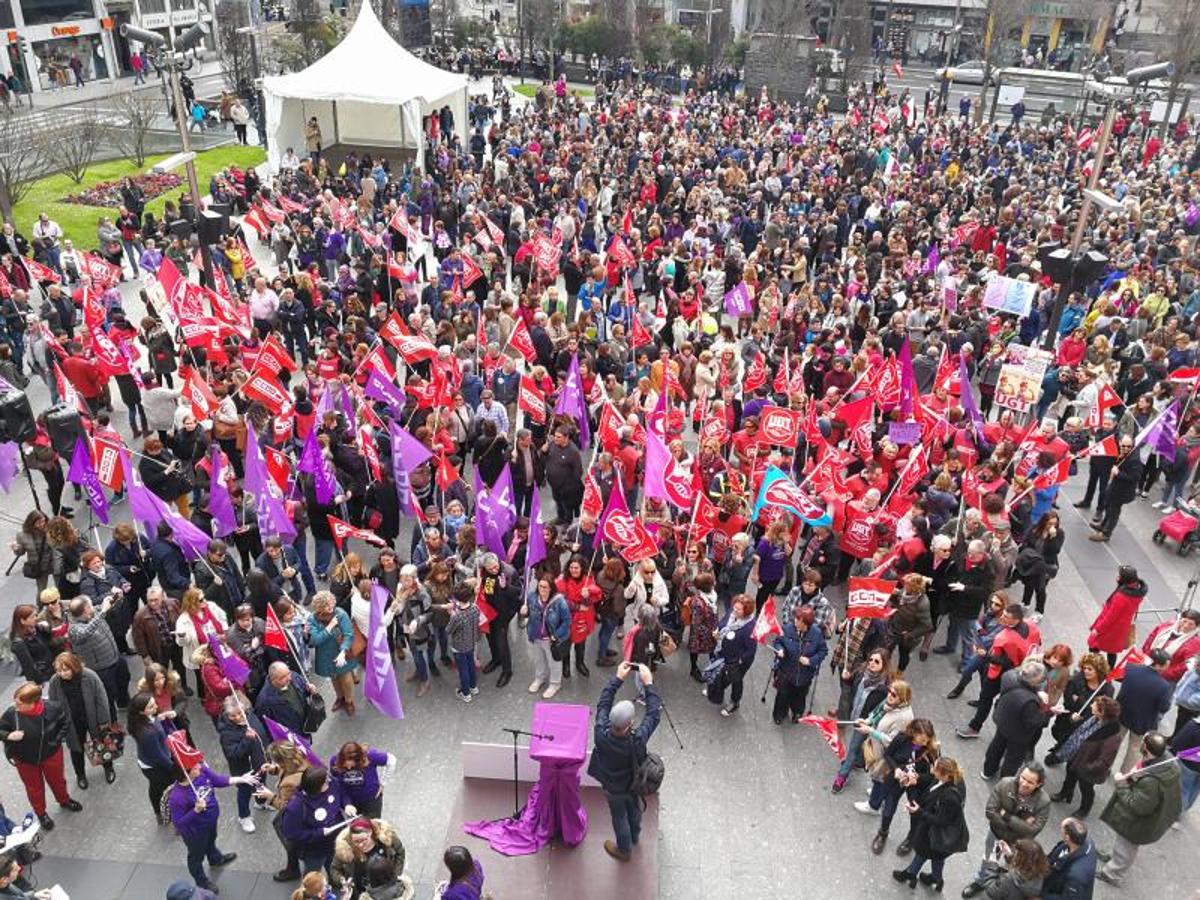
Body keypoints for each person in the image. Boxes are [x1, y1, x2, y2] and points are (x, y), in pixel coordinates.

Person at [588, 661, 660, 861]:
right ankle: (633, 838)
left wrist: (617, 678)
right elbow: (654, 715)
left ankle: (624, 848)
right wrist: (649, 683)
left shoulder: (600, 731)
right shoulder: (636, 741)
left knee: (618, 815)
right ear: (629, 724)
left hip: (612, 787)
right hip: (633, 785)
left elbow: (603, 703)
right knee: (634, 810)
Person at [1097, 732, 1182, 886]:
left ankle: (1113, 873)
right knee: (1121, 844)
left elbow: (1137, 806)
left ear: (1146, 749)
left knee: (1126, 847)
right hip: (1150, 814)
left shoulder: (1152, 781)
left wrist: (1121, 784)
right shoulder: (1166, 760)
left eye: (1143, 741)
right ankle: (1114, 857)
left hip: (1140, 823)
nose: (1141, 741)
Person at [0, 682, 82, 831]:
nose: (15, 707)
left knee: (58, 780)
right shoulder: (11, 714)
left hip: (51, 754)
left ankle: (64, 800)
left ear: (33, 703)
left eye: (19, 704)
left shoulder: (53, 708)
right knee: (34, 788)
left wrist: (56, 741)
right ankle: (41, 813)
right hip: (25, 760)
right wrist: (9, 735)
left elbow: (65, 723)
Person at [962, 763, 1051, 897]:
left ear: (1039, 784)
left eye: (1030, 782)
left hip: (1018, 842)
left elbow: (1033, 831)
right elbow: (990, 811)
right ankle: (980, 882)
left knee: (1015, 866)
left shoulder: (1043, 802)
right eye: (1023, 778)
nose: (1024, 784)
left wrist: (1006, 815)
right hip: (996, 834)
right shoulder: (1005, 784)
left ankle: (1002, 888)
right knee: (988, 859)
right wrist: (1021, 824)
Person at [891, 756, 969, 891]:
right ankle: (934, 878)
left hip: (936, 833)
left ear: (944, 774)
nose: (932, 768)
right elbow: (932, 780)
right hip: (934, 835)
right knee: (934, 857)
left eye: (935, 767)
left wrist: (918, 812)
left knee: (924, 853)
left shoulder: (950, 797)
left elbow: (941, 821)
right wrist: (917, 778)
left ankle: (912, 874)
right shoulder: (948, 779)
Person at [166, 759, 243, 892]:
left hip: (210, 823)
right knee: (196, 857)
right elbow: (179, 823)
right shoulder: (177, 797)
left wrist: (240, 779)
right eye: (194, 768)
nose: (199, 767)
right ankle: (201, 881)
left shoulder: (201, 772)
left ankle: (215, 859)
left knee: (211, 842)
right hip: (194, 833)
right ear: (186, 775)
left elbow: (217, 780)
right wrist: (195, 811)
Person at [45, 651, 115, 789]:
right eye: (59, 670)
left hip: (92, 717)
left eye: (65, 670)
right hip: (72, 721)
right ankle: (80, 775)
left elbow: (101, 700)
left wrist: (103, 721)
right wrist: (59, 724)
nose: (62, 674)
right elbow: (53, 705)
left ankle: (108, 768)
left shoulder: (89, 676)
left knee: (102, 743)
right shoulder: (55, 682)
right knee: (76, 749)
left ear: (74, 666)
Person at [1050, 695, 1123, 819]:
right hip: (1075, 755)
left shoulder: (1112, 736)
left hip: (1088, 767)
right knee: (1069, 776)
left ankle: (1084, 809)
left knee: (1086, 789)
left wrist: (1087, 768)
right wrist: (1074, 720)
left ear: (1102, 712)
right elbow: (1078, 732)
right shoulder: (1094, 718)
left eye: (1094, 705)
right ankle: (1065, 793)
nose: (1091, 706)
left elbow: (1104, 761)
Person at [981, 658, 1053, 779]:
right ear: (1034, 682)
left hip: (1003, 719)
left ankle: (988, 771)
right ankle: (1005, 780)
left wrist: (1036, 691)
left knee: (996, 746)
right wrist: (1050, 713)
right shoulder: (1030, 700)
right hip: (1018, 733)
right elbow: (1035, 721)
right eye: (1040, 681)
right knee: (1013, 758)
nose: (1042, 683)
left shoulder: (1008, 676)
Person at [215, 695, 269, 833]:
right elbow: (233, 755)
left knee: (261, 783)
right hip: (244, 770)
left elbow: (263, 734)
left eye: (240, 713)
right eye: (233, 715)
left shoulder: (250, 716)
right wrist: (247, 739)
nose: (239, 717)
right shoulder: (226, 733)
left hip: (260, 762)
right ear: (227, 715)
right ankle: (244, 816)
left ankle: (260, 802)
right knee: (244, 792)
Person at [282, 766, 345, 875]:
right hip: (314, 850)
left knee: (333, 864)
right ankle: (310, 890)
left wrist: (347, 804)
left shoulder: (331, 783)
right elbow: (292, 833)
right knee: (313, 873)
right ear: (317, 787)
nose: (330, 781)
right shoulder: (296, 807)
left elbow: (341, 793)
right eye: (326, 782)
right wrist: (319, 833)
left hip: (336, 840)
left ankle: (333, 879)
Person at [770, 605, 827, 724]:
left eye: (798, 620)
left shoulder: (816, 634)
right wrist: (779, 650)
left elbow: (823, 651)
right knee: (782, 694)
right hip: (786, 670)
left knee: (800, 696)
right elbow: (777, 641)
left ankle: (797, 713)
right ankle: (779, 714)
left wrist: (811, 661)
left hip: (805, 673)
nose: (795, 621)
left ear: (806, 624)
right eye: (795, 618)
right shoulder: (786, 629)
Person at [329, 816, 408, 899]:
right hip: (359, 891)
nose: (360, 845)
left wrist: (396, 874)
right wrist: (343, 881)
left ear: (370, 832)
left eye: (364, 840)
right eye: (356, 841)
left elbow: (400, 852)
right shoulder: (345, 848)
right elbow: (334, 869)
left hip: (385, 889)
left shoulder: (386, 838)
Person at [706, 594, 758, 717]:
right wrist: (717, 631)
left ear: (746, 611)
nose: (735, 611)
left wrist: (739, 660)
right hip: (723, 652)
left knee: (736, 680)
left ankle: (735, 702)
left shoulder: (750, 627)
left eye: (738, 609)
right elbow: (723, 623)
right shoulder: (732, 613)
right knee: (720, 673)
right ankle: (717, 690)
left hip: (738, 660)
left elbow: (751, 650)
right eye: (734, 607)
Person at [1087, 566, 1148, 667]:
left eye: (1119, 575)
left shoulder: (1121, 596)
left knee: (1094, 645)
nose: (1117, 577)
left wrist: (1097, 629)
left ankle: (1094, 666)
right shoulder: (1138, 592)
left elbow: (1111, 617)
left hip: (1111, 628)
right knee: (1112, 651)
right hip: (1121, 628)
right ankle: (1109, 671)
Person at [523, 578, 570, 699]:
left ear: (551, 588)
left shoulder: (559, 602)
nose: (542, 589)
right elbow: (529, 614)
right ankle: (540, 678)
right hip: (536, 636)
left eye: (545, 587)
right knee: (539, 660)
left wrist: (557, 635)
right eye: (540, 586)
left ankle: (555, 683)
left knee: (554, 662)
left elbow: (567, 621)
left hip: (551, 640)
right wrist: (525, 612)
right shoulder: (532, 597)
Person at [329, 742, 396, 821]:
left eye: (352, 766)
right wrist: (347, 803)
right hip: (352, 801)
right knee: (358, 828)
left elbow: (392, 760)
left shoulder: (369, 756)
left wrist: (383, 783)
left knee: (373, 826)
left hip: (371, 799)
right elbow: (338, 784)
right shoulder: (335, 761)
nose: (349, 768)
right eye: (345, 766)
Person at [256, 661, 319, 741]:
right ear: (273, 680)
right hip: (291, 739)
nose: (289, 678)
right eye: (283, 677)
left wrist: (310, 690)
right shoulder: (264, 701)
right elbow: (268, 728)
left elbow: (304, 690)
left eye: (288, 673)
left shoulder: (294, 676)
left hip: (305, 728)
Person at [1042, 817, 1097, 900]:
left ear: (1067, 837)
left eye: (1061, 829)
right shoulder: (1083, 840)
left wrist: (1041, 897)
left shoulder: (1076, 876)